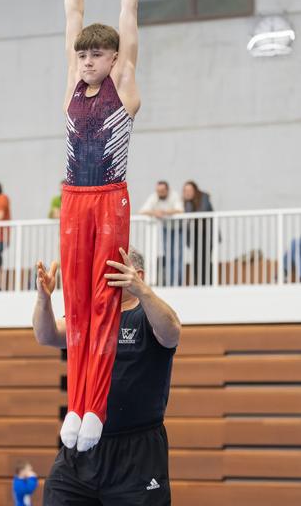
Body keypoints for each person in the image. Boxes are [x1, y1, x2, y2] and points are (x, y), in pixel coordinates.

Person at [52, 0, 148, 451]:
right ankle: (76, 404)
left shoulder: (124, 84)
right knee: (77, 300)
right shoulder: (72, 81)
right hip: (72, 199)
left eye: (97, 55)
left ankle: (97, 406)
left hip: (109, 199)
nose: (88, 61)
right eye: (83, 55)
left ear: (112, 59)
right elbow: (72, 18)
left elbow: (129, 19)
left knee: (104, 300)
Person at [33, 247, 180, 505]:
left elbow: (172, 332)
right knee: (56, 493)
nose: (102, 279)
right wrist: (44, 299)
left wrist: (141, 289)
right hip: (85, 447)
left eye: (113, 272)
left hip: (137, 452)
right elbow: (46, 336)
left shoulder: (147, 316)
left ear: (136, 274)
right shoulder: (90, 317)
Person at [140, 181, 184, 286]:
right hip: (166, 229)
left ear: (167, 190)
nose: (160, 193)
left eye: (162, 191)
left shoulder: (174, 196)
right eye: (158, 191)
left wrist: (164, 212)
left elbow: (180, 210)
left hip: (179, 228)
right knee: (168, 255)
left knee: (178, 255)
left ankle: (178, 282)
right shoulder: (154, 197)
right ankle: (170, 282)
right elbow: (142, 211)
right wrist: (155, 212)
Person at [183, 181, 214, 285]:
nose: (187, 193)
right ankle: (199, 282)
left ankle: (207, 283)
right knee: (196, 260)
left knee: (205, 259)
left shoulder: (203, 197)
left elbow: (204, 210)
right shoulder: (187, 202)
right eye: (185, 190)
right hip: (194, 235)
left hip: (206, 234)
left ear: (195, 190)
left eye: (189, 190)